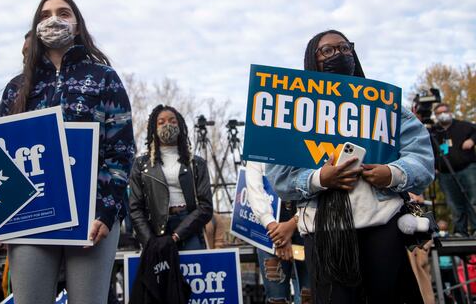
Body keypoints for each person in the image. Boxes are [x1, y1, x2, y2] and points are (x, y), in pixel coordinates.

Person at [247, 30, 434, 303]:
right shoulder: (293, 112)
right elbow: (280, 179)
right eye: (328, 50)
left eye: (345, 48)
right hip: (325, 236)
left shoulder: (384, 105)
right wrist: (320, 178)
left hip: (382, 228)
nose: (340, 54)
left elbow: (422, 158)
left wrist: (392, 173)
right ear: (313, 59)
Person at [0, 0, 135, 304]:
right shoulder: (17, 87)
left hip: (91, 217)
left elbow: (122, 150)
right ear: (36, 27)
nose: (54, 19)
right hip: (31, 217)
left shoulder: (104, 78)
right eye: (45, 14)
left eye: (63, 13)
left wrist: (105, 212)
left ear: (77, 26)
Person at [128, 104, 213, 250]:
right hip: (155, 229)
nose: (167, 125)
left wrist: (177, 235)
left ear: (180, 125)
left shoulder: (196, 163)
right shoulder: (141, 164)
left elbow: (205, 206)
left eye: (173, 121)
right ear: (153, 129)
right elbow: (135, 208)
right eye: (161, 122)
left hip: (189, 228)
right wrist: (149, 240)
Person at [431, 102, 476, 236]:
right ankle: (460, 231)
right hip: (445, 174)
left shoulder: (464, 126)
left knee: (473, 200)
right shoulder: (433, 131)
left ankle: (475, 229)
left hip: (467, 169)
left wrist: (472, 141)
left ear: (450, 112)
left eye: (445, 111)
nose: (443, 114)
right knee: (454, 204)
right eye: (439, 113)